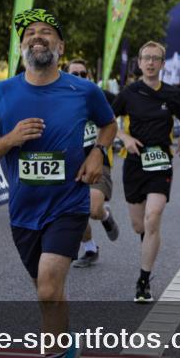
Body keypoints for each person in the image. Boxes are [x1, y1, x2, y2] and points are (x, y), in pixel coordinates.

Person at [0, 9, 117, 358]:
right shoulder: (0, 94)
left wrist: (97, 153)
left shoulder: (83, 90)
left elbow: (108, 125)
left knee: (49, 288)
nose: (38, 38)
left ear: (60, 48)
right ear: (22, 48)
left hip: (68, 204)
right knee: (47, 295)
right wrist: (12, 139)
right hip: (24, 212)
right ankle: (65, 346)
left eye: (46, 33)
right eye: (31, 33)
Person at [113, 41, 180, 302]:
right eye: (146, 58)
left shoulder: (172, 94)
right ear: (139, 63)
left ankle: (143, 280)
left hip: (161, 161)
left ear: (162, 64)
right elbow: (105, 121)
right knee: (139, 224)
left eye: (155, 59)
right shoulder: (129, 93)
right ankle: (147, 245)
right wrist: (124, 137)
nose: (150, 63)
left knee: (153, 216)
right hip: (134, 162)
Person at [65, 58, 120, 269]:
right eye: (74, 74)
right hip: (70, 163)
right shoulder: (58, 97)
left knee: (93, 209)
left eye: (83, 74)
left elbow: (123, 108)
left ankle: (104, 215)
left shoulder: (97, 94)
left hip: (98, 159)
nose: (79, 78)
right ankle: (90, 248)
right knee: (76, 211)